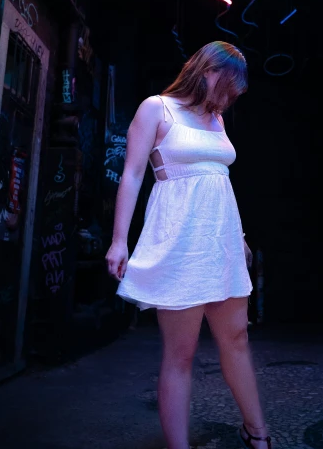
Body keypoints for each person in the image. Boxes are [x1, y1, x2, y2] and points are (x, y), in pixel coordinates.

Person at [106, 41, 271, 449]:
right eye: (227, 84)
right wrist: (118, 241)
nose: (229, 97)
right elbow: (131, 175)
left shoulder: (216, 118)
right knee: (181, 354)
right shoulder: (156, 108)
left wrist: (242, 237)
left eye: (236, 91)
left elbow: (216, 179)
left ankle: (258, 434)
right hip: (180, 244)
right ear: (206, 69)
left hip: (223, 245)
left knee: (237, 340)